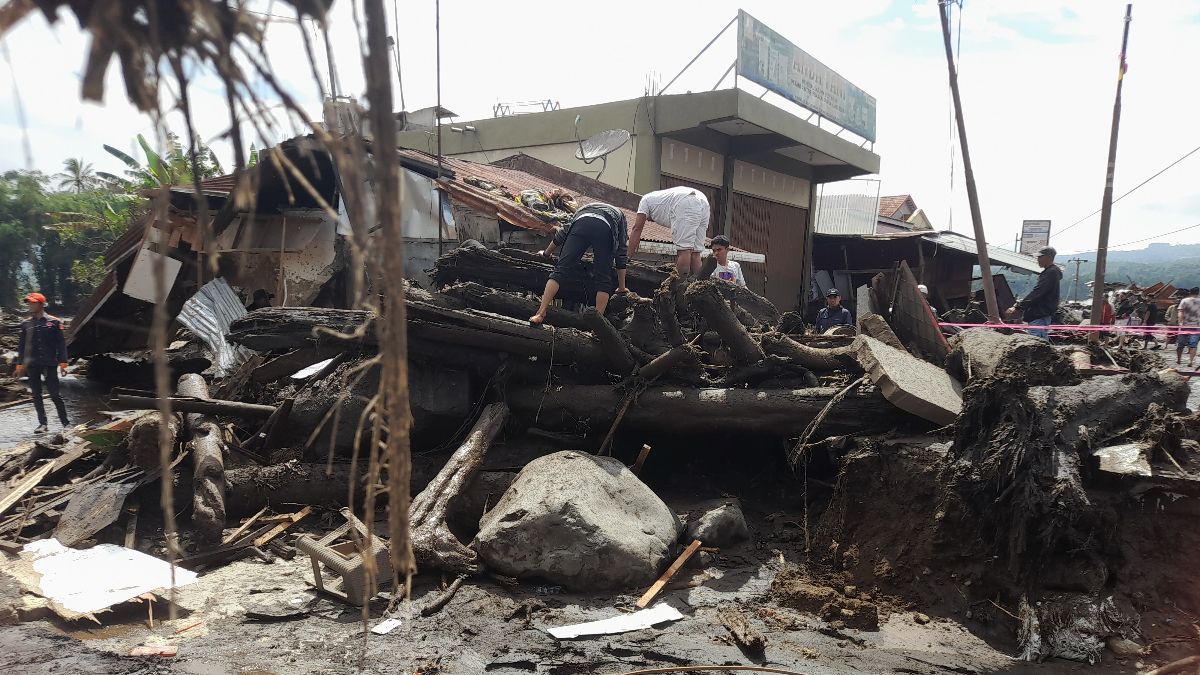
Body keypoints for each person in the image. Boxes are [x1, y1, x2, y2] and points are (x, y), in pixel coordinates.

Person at [530, 202, 628, 325]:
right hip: (604, 228)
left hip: (581, 224)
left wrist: (546, 253)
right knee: (603, 279)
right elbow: (622, 250)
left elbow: (563, 233)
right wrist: (622, 287)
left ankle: (540, 313)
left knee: (559, 271)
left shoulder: (582, 209)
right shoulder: (620, 215)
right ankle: (597, 327)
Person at [15, 292, 69, 434]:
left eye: (33, 303)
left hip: (50, 363)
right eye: (29, 303)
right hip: (32, 365)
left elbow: (61, 343)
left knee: (55, 394)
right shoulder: (26, 324)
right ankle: (42, 424)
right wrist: (19, 364)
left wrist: (63, 362)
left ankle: (66, 423)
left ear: (41, 304)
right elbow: (21, 346)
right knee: (36, 395)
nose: (30, 305)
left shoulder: (54, 322)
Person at [627, 186, 711, 277]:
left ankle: (680, 285)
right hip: (703, 201)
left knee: (684, 250)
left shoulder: (645, 200)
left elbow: (637, 229)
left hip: (686, 201)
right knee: (696, 252)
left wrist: (627, 259)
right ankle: (700, 286)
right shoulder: (658, 199)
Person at [1004, 246, 1062, 340]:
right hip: (1041, 313)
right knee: (1040, 342)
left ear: (1049, 257)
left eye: (1040, 257)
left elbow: (1038, 292)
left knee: (1037, 343)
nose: (1037, 259)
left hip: (1040, 313)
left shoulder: (1051, 272)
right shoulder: (1051, 272)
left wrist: (1019, 307)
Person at [1177, 287, 1200, 368]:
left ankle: (1179, 359)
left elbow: (1180, 312)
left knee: (1180, 344)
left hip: (1185, 325)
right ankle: (1190, 361)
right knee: (1193, 345)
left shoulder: (1184, 301)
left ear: (1190, 292)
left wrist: (1180, 322)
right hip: (1197, 326)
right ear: (1198, 293)